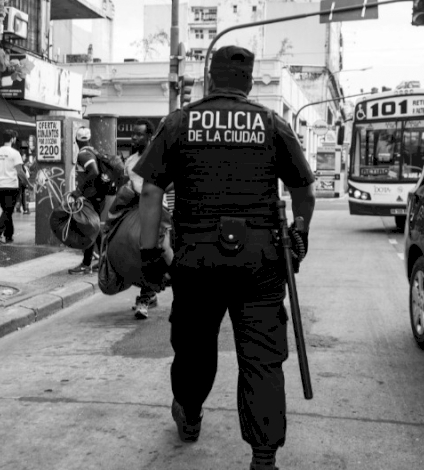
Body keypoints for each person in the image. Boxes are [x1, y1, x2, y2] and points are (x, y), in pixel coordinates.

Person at [134, 46, 316, 470]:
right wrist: (300, 233)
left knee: (194, 348)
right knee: (262, 358)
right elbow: (304, 192)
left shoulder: (180, 121)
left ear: (209, 80)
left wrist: (148, 255)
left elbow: (149, 192)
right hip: (261, 263)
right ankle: (264, 455)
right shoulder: (272, 124)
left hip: (196, 260)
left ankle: (191, 414)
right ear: (250, 83)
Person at [122, 119, 165, 319]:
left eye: (139, 134)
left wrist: (152, 192)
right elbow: (125, 184)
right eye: (133, 134)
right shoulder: (130, 161)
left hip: (153, 210)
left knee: (149, 250)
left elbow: (171, 183)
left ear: (149, 137)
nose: (135, 138)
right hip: (132, 208)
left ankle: (145, 298)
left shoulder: (158, 158)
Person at [67, 127, 111, 274]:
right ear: (89, 138)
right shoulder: (93, 151)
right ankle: (104, 260)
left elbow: (93, 171)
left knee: (88, 228)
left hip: (91, 197)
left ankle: (86, 264)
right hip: (98, 196)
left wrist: (79, 191)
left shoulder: (84, 154)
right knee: (95, 228)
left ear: (76, 140)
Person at [0, 129, 28, 244]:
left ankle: (9, 235)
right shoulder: (15, 153)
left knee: (6, 210)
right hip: (11, 186)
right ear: (13, 139)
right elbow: (20, 171)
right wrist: (28, 183)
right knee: (8, 211)